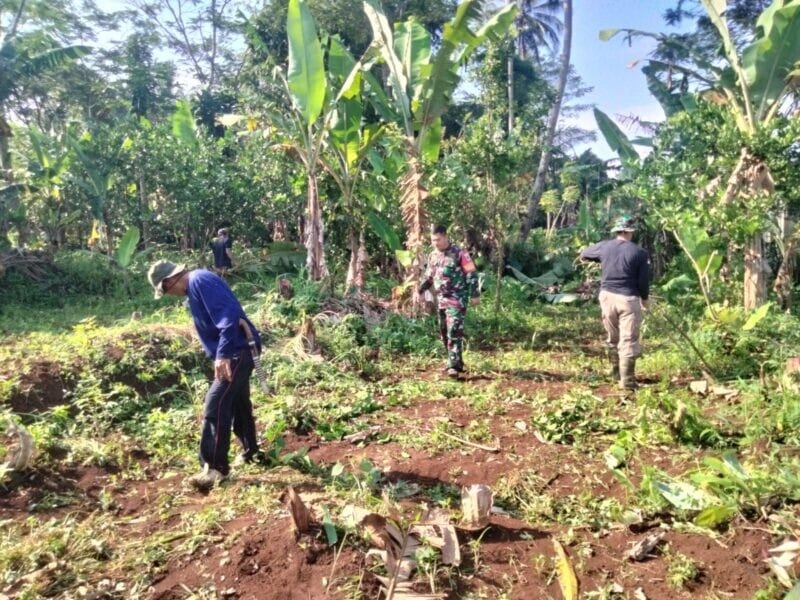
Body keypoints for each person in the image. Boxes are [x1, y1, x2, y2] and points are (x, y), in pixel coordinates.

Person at [147, 260, 263, 490]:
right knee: (238, 402)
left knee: (216, 403)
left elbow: (228, 317)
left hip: (237, 350)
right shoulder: (196, 286)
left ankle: (214, 468)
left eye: (167, 290)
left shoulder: (200, 280)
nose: (171, 294)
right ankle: (252, 452)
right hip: (237, 350)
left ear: (170, 280)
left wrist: (223, 355)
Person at [579, 217, 650, 391]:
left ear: (617, 231)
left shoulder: (605, 246)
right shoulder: (639, 252)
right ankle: (627, 382)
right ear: (629, 231)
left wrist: (602, 259)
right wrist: (645, 299)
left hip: (607, 297)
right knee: (628, 339)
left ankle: (615, 373)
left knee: (613, 337)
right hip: (628, 299)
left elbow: (585, 254)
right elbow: (643, 281)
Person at [419, 225, 481, 378]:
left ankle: (453, 366)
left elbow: (472, 274)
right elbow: (429, 277)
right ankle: (455, 361)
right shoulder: (432, 256)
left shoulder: (460, 254)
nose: (435, 243)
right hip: (441, 299)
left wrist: (474, 294)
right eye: (433, 240)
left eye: (438, 239)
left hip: (456, 298)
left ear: (446, 236)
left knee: (454, 330)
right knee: (444, 332)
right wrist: (420, 290)